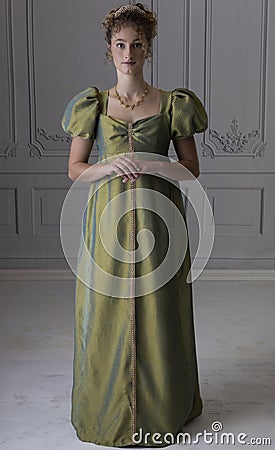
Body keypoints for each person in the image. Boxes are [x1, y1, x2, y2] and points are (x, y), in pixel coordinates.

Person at [61, 3, 208, 447]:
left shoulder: (172, 103)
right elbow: (75, 168)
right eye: (121, 45)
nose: (129, 53)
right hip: (106, 220)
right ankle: (105, 412)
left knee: (161, 309)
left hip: (158, 219)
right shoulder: (95, 104)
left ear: (149, 48)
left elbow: (191, 168)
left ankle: (164, 408)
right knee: (103, 314)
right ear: (110, 49)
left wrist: (150, 162)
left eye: (137, 45)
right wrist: (109, 166)